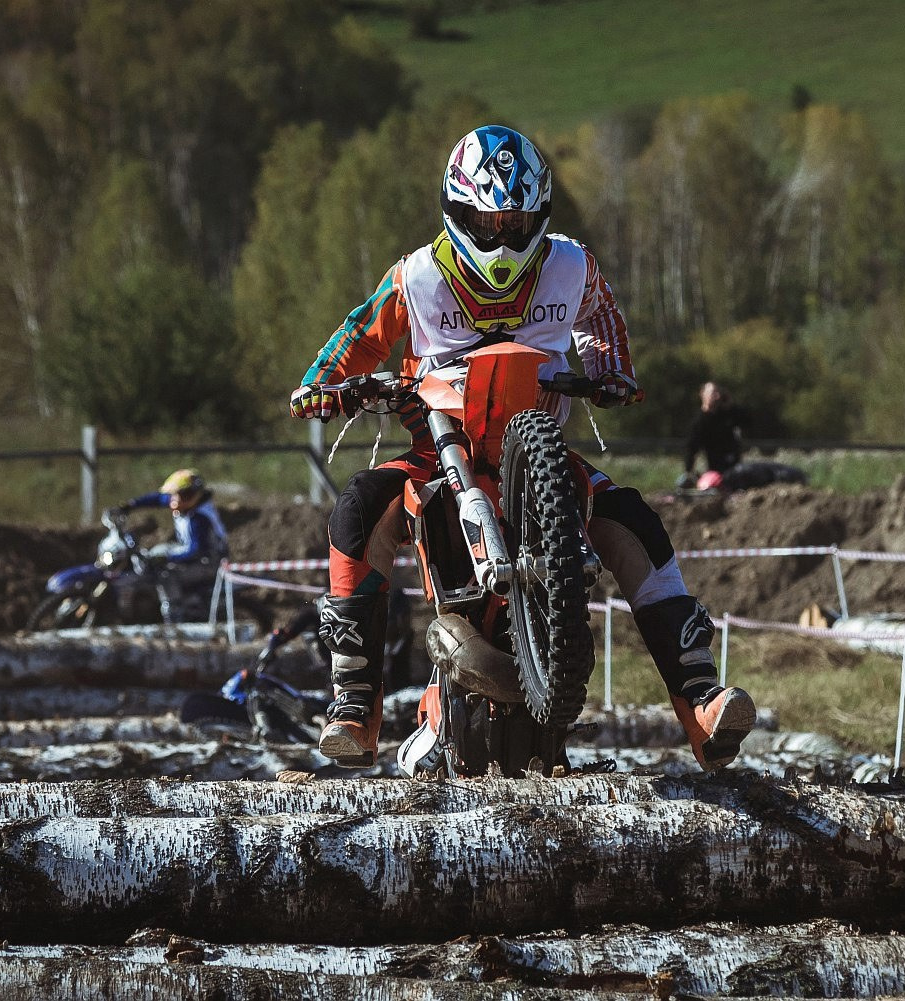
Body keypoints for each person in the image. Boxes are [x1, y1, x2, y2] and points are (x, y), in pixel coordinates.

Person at [289, 124, 755, 772]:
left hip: (540, 452)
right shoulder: (417, 278)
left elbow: (603, 321)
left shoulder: (571, 266)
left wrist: (611, 370)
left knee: (633, 520)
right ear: (458, 212)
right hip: (436, 449)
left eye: (516, 222)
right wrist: (322, 385)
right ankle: (353, 706)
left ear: (540, 216)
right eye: (488, 222)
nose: (502, 237)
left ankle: (701, 702)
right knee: (358, 506)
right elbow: (358, 336)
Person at [112, 469, 229, 620]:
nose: (176, 500)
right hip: (193, 553)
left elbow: (196, 549)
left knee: (166, 574)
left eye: (183, 495)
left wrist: (167, 558)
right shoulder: (185, 504)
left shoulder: (199, 518)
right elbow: (157, 498)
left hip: (210, 562)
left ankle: (174, 614)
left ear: (195, 495)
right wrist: (130, 505)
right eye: (175, 495)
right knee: (155, 552)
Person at [679, 381, 747, 488]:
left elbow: (746, 420)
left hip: (733, 465)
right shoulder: (699, 422)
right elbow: (691, 448)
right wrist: (688, 471)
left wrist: (731, 405)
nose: (717, 396)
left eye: (718, 393)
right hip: (715, 469)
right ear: (702, 394)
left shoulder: (726, 415)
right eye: (713, 393)